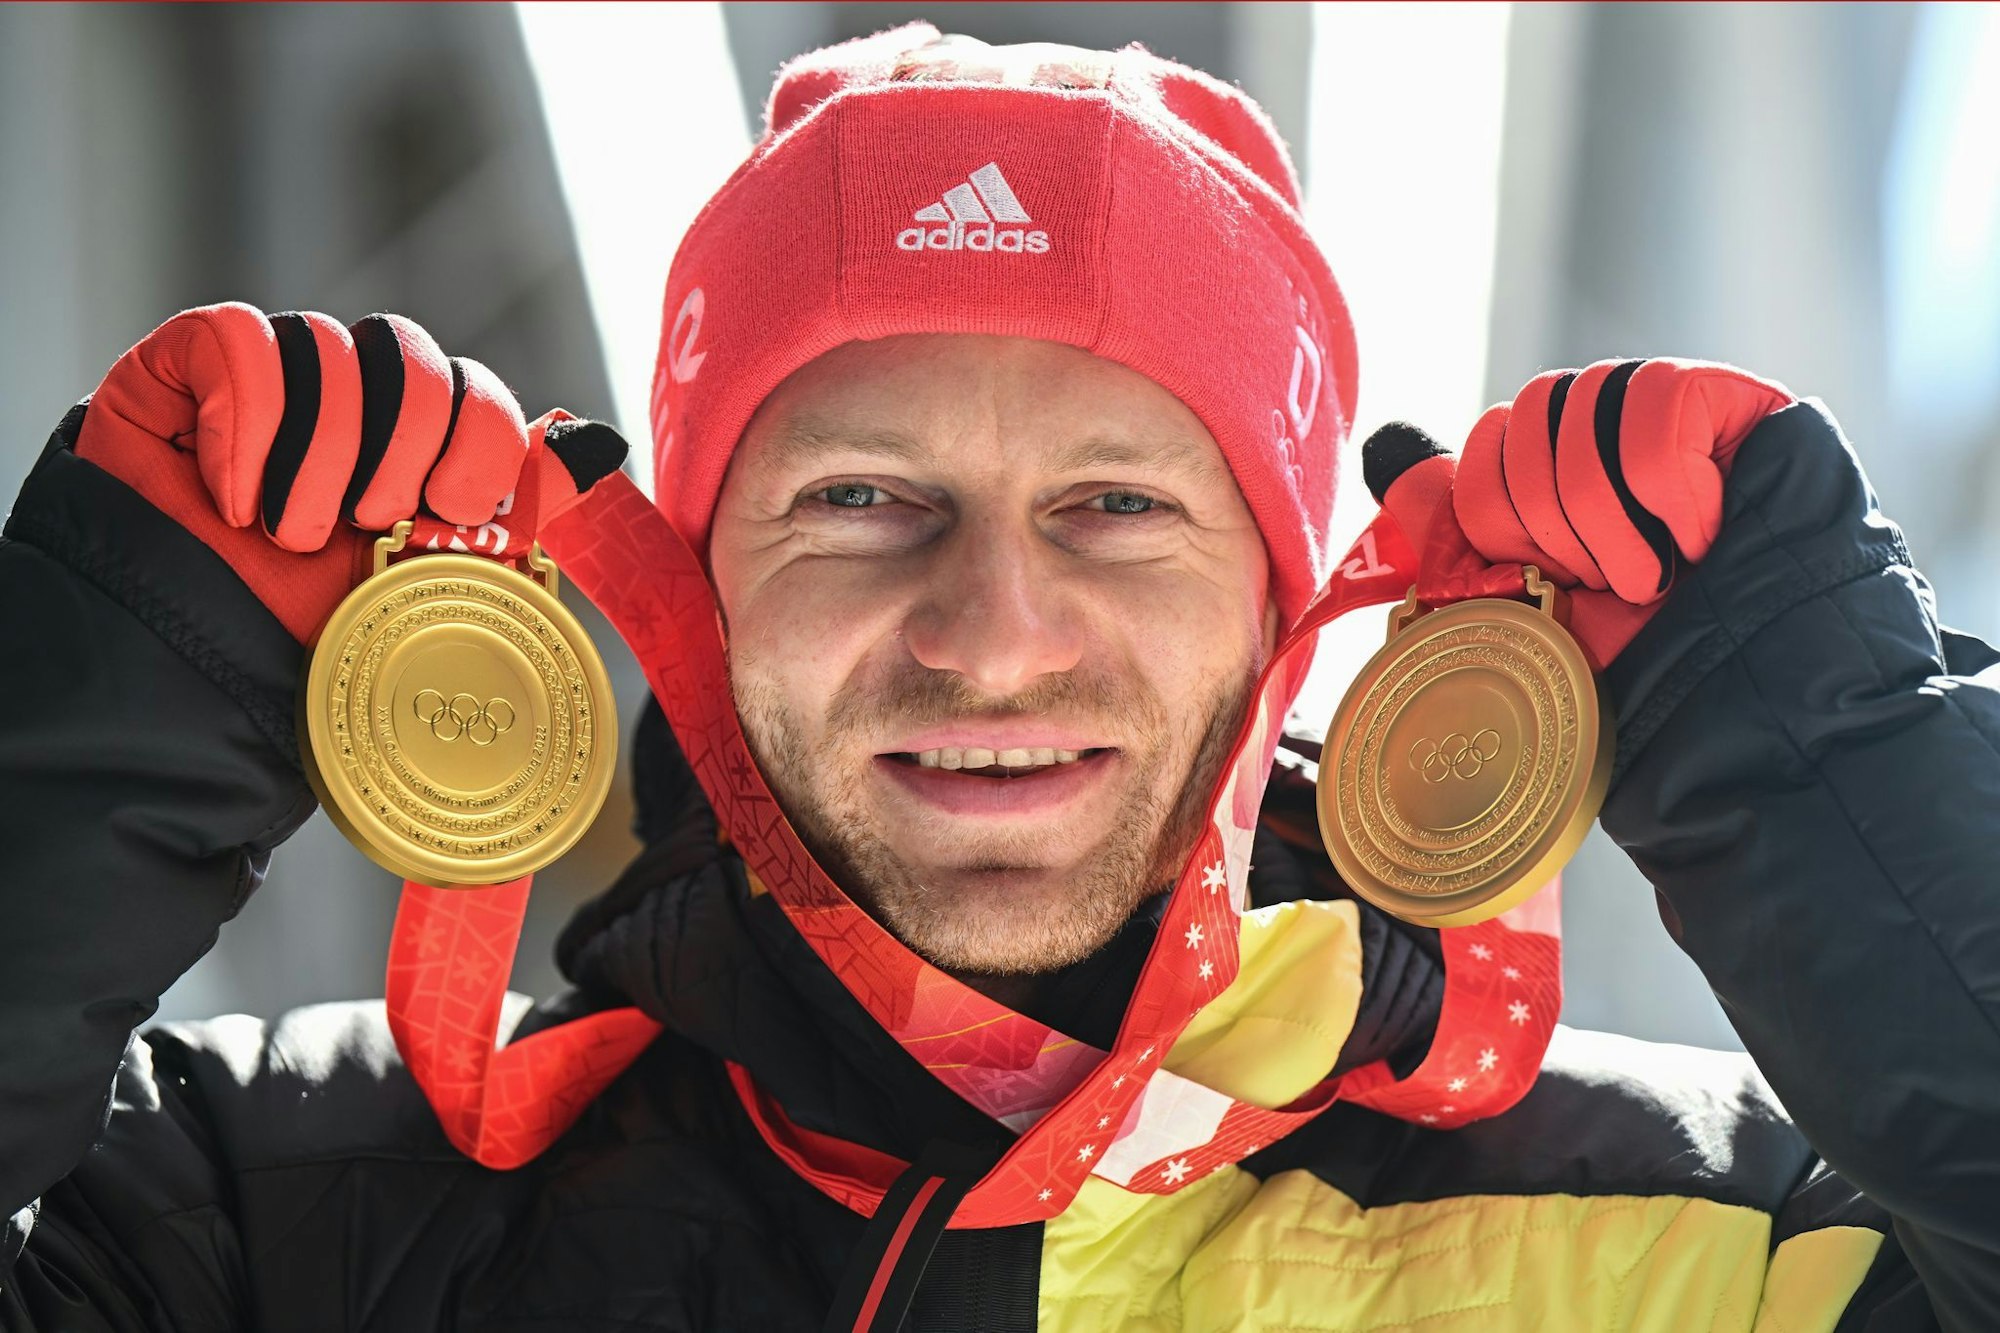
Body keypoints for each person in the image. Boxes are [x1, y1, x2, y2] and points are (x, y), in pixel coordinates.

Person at [2, 23, 1995, 1332]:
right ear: (686, 588)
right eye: (862, 498)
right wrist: (113, 695)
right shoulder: (259, 1216)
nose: (989, 632)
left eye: (1118, 505)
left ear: (1291, 611)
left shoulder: (1722, 1252)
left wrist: (1817, 743)